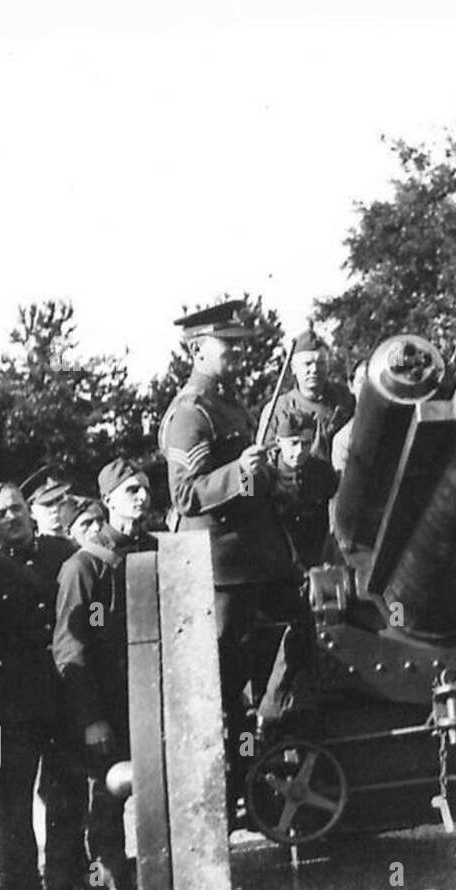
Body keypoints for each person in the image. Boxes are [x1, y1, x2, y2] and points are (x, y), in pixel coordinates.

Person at [158, 299, 302, 810]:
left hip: (261, 562)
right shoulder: (190, 414)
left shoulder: (230, 405)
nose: (239, 354)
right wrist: (241, 470)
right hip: (224, 573)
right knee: (223, 691)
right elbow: (185, 495)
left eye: (241, 345)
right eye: (229, 346)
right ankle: (224, 797)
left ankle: (267, 765)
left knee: (296, 647)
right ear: (198, 350)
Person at [52, 458, 157, 890]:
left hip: (155, 701)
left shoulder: (157, 551)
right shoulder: (84, 566)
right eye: (131, 489)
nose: (141, 496)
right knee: (107, 807)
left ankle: (163, 889)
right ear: (109, 501)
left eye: (145, 488)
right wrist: (92, 718)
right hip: (108, 708)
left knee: (162, 797)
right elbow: (69, 650)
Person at [0, 483, 77, 890]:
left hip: (63, 691)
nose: (11, 518)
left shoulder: (63, 554)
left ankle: (68, 878)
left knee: (68, 789)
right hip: (13, 703)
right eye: (0, 514)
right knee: (14, 801)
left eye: (16, 508)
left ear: (29, 511)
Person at [260, 330, 355, 464]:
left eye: (321, 363)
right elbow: (264, 457)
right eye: (307, 364)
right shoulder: (277, 408)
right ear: (293, 367)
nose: (315, 369)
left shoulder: (345, 397)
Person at [270, 408, 339, 568]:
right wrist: (245, 472)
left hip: (318, 559)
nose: (300, 451)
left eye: (306, 443)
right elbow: (246, 504)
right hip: (276, 562)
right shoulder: (262, 473)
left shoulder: (323, 471)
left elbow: (337, 509)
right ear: (279, 441)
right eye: (293, 443)